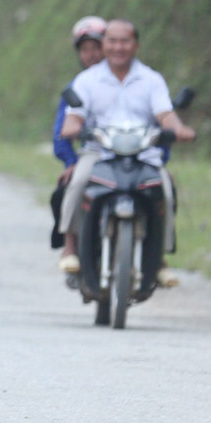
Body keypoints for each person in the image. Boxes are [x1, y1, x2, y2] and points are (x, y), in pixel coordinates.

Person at [57, 19, 194, 288]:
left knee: (165, 190)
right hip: (100, 153)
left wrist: (179, 130)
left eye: (125, 41)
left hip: (143, 154)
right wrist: (74, 128)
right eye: (112, 41)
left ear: (136, 45)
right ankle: (69, 245)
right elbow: (72, 118)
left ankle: (161, 258)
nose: (118, 47)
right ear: (104, 44)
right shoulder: (87, 80)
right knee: (76, 183)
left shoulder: (151, 80)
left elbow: (166, 114)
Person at [49, 16, 106, 266]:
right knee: (73, 184)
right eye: (85, 50)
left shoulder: (135, 79)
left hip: (133, 151)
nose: (92, 55)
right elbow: (62, 129)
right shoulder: (78, 86)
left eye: (97, 48)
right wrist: (70, 161)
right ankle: (70, 244)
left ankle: (156, 256)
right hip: (93, 152)